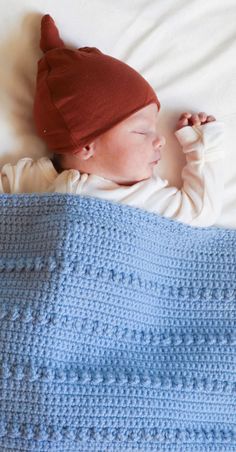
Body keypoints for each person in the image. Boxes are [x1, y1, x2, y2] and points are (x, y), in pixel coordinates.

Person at [0, 14, 225, 227]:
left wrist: (202, 149)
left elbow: (200, 211)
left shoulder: (147, 196)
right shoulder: (33, 181)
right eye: (142, 131)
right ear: (86, 145)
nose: (160, 141)